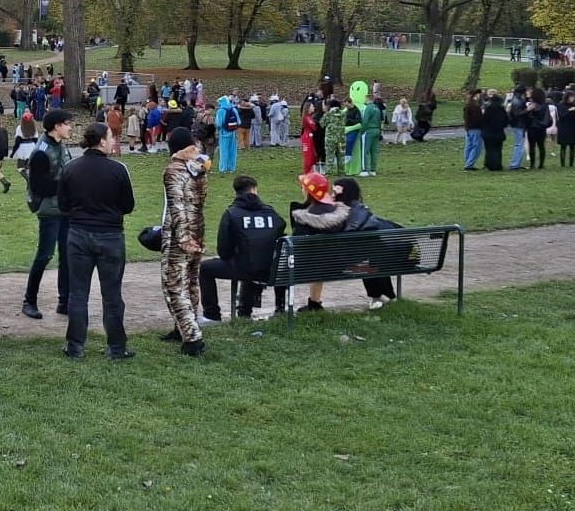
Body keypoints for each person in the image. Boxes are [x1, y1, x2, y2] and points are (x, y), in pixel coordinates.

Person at [57, 121, 135, 359]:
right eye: (111, 137)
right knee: (112, 293)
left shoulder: (70, 168)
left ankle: (75, 346)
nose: (113, 141)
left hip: (78, 234)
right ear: (101, 140)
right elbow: (128, 205)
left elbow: (62, 204)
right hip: (110, 235)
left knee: (78, 293)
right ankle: (116, 347)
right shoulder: (118, 170)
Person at [289, 174, 397, 310]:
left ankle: (307, 304)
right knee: (371, 255)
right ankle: (384, 295)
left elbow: (301, 247)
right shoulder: (353, 216)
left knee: (316, 260)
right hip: (350, 262)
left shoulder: (307, 216)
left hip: (324, 267)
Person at [199, 174, 284, 322]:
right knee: (253, 256)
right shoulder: (271, 213)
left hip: (244, 268)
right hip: (272, 269)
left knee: (205, 268)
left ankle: (212, 315)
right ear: (255, 190)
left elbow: (224, 251)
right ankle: (253, 310)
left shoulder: (231, 214)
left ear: (236, 192)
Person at [158, 128, 207, 356]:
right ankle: (184, 327)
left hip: (180, 234)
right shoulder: (198, 166)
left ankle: (191, 337)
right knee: (191, 282)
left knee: (174, 284)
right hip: (198, 228)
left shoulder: (174, 169)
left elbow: (176, 205)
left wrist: (183, 238)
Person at [23, 109, 74, 320]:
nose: (71, 127)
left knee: (67, 256)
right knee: (45, 255)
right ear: (56, 126)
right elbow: (39, 186)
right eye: (68, 123)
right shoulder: (41, 152)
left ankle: (65, 301)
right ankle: (29, 301)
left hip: (65, 210)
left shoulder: (61, 145)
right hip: (49, 212)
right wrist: (68, 185)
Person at [480, 89, 508, 172]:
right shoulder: (502, 110)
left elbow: (484, 120)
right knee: (498, 150)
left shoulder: (488, 109)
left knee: (489, 150)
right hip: (499, 133)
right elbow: (506, 121)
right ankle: (498, 165)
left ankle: (490, 164)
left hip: (488, 133)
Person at [555, 91, 575, 167]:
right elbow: (561, 115)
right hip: (563, 127)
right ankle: (562, 164)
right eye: (571, 97)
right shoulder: (560, 105)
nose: (573, 98)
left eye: (574, 97)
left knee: (572, 146)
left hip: (572, 127)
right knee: (563, 146)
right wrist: (570, 110)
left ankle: (571, 163)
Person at [462, 90, 484, 171]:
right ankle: (469, 164)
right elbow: (477, 119)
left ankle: (467, 162)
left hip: (468, 128)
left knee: (469, 146)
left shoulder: (467, 105)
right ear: (476, 95)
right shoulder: (475, 106)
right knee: (476, 146)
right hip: (476, 128)